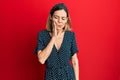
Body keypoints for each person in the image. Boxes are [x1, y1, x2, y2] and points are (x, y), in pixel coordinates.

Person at [34, 3, 79, 80]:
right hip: (51, 77)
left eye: (63, 18)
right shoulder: (42, 35)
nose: (59, 21)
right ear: (51, 17)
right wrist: (54, 38)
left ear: (67, 20)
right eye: (56, 17)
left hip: (68, 76)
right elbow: (41, 60)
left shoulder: (70, 36)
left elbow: (75, 61)